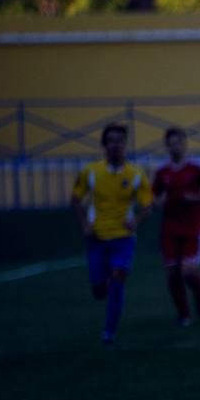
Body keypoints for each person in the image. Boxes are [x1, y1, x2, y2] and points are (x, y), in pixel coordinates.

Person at [72, 123, 154, 344]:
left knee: (119, 275)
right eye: (111, 141)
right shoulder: (91, 172)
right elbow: (75, 199)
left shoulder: (136, 174)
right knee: (99, 291)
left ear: (125, 145)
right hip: (97, 237)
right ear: (104, 145)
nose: (115, 145)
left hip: (123, 238)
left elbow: (148, 204)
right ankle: (104, 288)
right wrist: (84, 224)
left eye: (120, 141)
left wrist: (136, 220)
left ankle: (109, 331)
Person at [151, 127, 200, 327]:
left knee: (187, 271)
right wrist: (156, 202)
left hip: (192, 228)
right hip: (170, 229)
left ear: (185, 144)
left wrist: (194, 197)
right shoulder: (162, 172)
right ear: (167, 145)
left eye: (178, 142)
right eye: (171, 142)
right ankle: (184, 313)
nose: (175, 146)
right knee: (172, 274)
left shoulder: (197, 168)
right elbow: (154, 196)